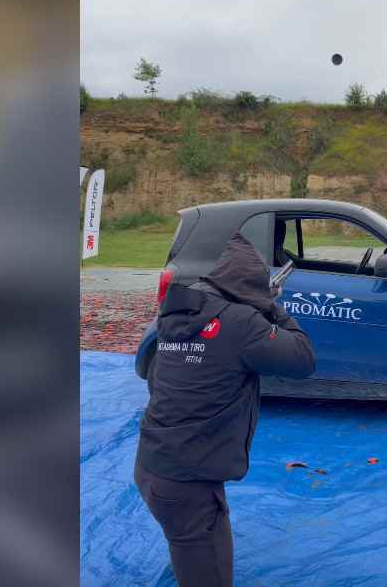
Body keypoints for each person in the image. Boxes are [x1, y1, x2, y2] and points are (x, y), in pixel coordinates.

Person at [134, 233, 316, 587]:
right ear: (250, 287)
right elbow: (303, 357)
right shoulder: (242, 323)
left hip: (153, 464)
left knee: (190, 548)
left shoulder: (180, 311)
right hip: (186, 483)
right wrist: (272, 307)